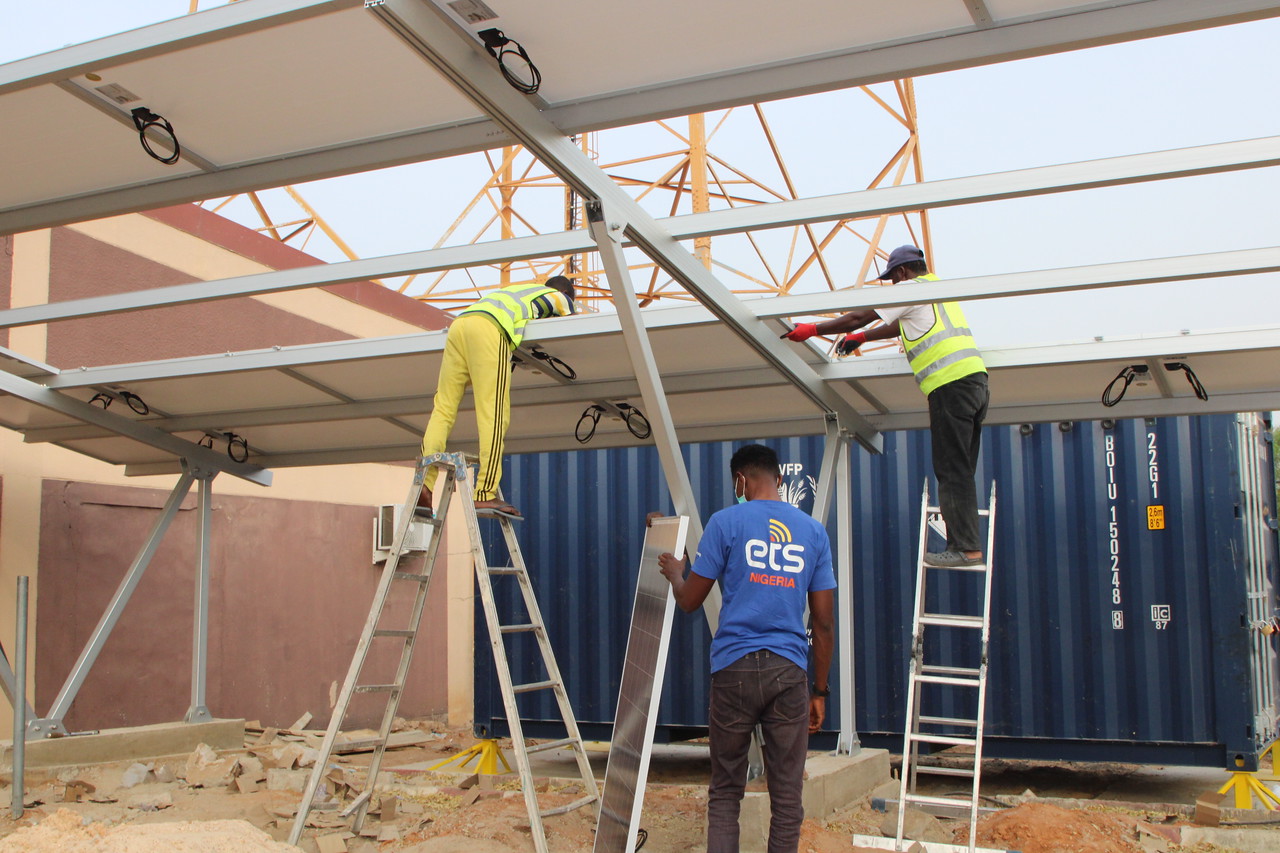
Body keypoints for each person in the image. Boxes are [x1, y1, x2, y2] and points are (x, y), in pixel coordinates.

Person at [655, 444, 835, 853]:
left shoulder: (725, 523)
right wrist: (819, 691)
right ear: (780, 480)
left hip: (733, 669)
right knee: (787, 797)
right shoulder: (812, 532)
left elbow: (689, 601)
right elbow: (823, 622)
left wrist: (677, 572)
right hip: (788, 673)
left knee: (726, 791)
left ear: (741, 481)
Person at [781, 245, 988, 568]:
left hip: (949, 385)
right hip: (975, 384)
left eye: (892, 279)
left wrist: (814, 329)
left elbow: (859, 315)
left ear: (902, 273)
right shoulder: (935, 289)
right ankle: (967, 545)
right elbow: (899, 324)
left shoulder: (907, 288)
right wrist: (863, 338)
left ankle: (966, 548)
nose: (893, 286)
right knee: (961, 469)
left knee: (950, 469)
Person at [418, 277, 575, 517]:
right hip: (490, 329)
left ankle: (424, 487)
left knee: (443, 408)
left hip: (460, 325)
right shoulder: (559, 296)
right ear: (564, 292)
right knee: (494, 413)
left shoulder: (516, 291)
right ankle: (484, 493)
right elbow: (573, 323)